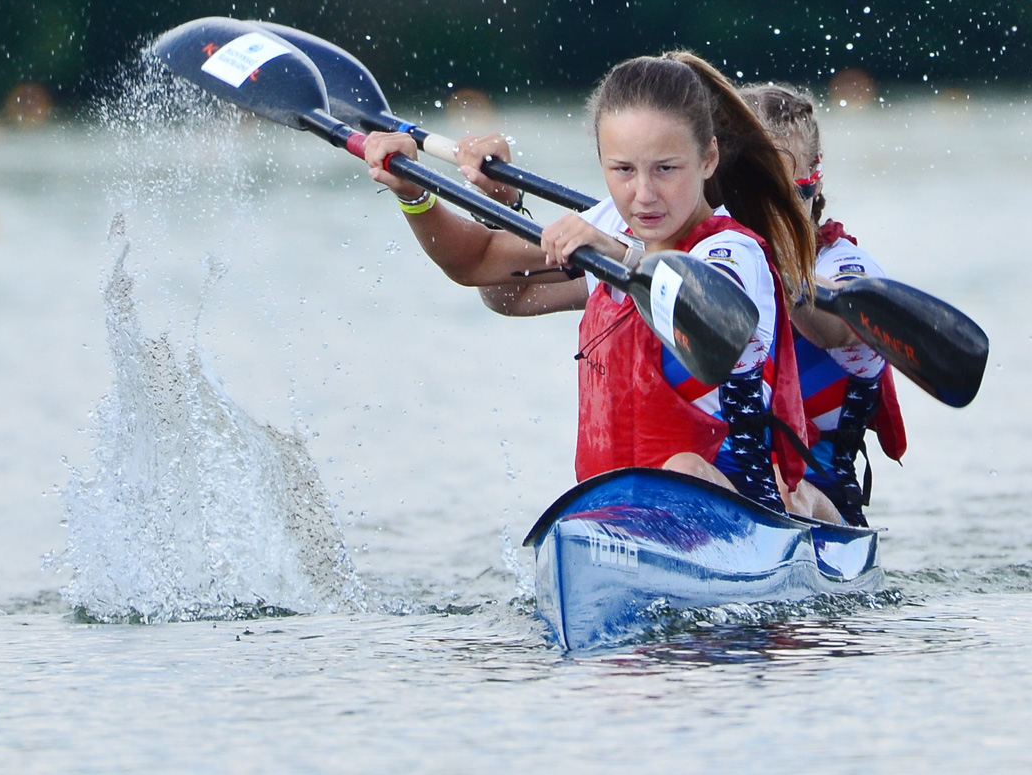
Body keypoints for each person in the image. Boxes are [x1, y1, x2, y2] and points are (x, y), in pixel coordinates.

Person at [360, 51, 829, 515]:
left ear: (708, 159)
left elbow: (710, 310)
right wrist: (417, 194)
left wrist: (618, 253)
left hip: (741, 510)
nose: (643, 195)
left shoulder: (732, 252)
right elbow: (482, 266)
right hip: (615, 511)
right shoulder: (611, 222)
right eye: (622, 170)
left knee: (683, 468)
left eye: (665, 169)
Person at [739, 83, 906, 527]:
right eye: (756, 196)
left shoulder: (849, 266)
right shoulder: (704, 257)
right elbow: (526, 293)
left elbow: (837, 328)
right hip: (715, 492)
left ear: (816, 178)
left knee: (783, 487)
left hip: (821, 511)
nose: (774, 216)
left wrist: (778, 272)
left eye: (791, 195)